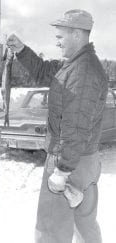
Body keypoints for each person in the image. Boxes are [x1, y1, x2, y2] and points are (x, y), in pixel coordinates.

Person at [6, 9, 108, 243]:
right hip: (85, 160)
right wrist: (22, 50)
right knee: (84, 224)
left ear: (76, 34)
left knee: (51, 229)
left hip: (70, 161)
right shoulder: (74, 65)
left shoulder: (82, 72)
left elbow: (77, 125)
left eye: (61, 36)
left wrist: (62, 170)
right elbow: (44, 72)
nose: (57, 40)